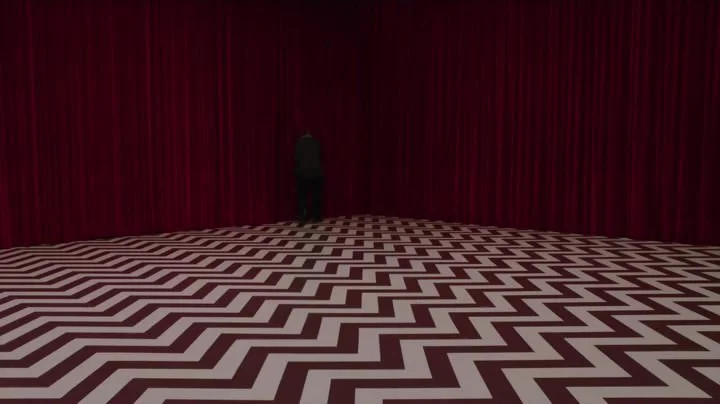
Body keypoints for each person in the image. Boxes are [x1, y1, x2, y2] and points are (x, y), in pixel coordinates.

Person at [295, 131, 323, 224]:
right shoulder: (316, 142)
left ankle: (303, 215)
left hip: (303, 173)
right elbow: (320, 156)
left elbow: (297, 158)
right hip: (317, 172)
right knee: (316, 195)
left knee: (303, 196)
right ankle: (316, 216)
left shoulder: (299, 143)